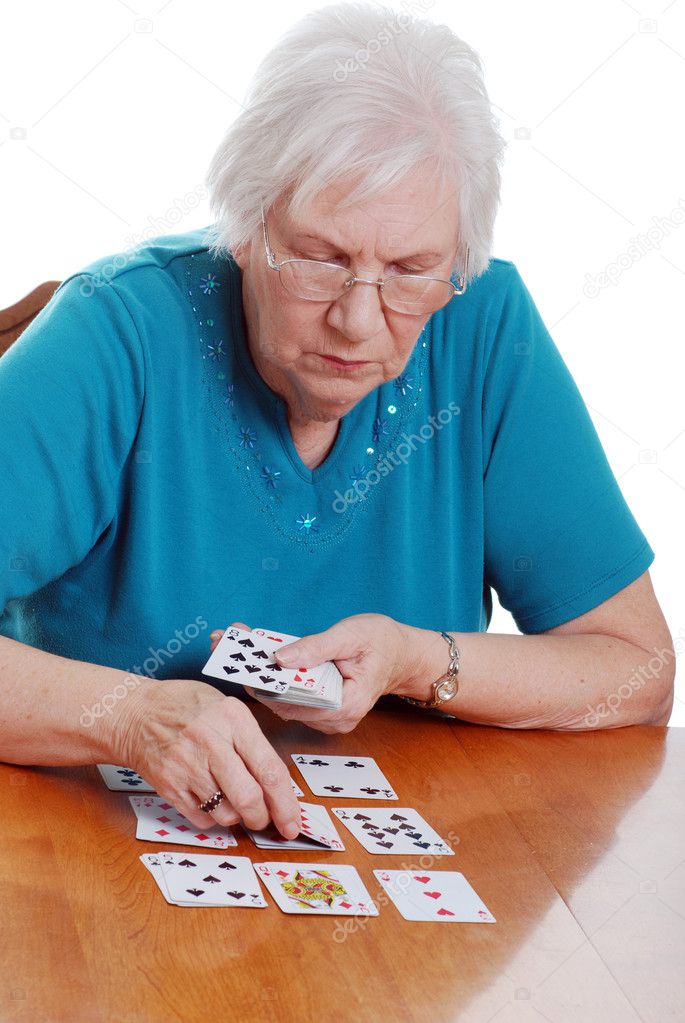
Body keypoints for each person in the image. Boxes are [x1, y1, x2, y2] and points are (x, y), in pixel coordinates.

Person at [0, 3, 674, 839]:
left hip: (378, 897)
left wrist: (416, 659)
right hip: (83, 858)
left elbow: (636, 669)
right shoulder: (119, 331)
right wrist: (129, 714)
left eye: (411, 269)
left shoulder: (483, 323)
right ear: (244, 226)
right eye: (322, 257)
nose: (359, 320)